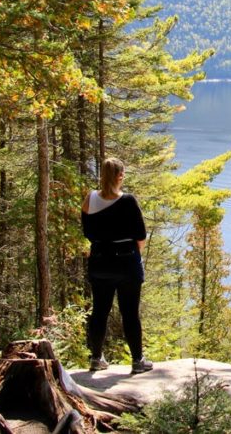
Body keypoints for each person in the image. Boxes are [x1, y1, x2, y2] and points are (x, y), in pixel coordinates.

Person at [81, 157, 153, 374]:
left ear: (102, 175)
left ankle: (96, 358)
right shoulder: (128, 201)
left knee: (99, 311)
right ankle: (137, 361)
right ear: (120, 176)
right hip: (126, 263)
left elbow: (87, 233)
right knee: (130, 312)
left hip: (99, 262)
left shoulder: (89, 199)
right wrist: (132, 255)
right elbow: (141, 235)